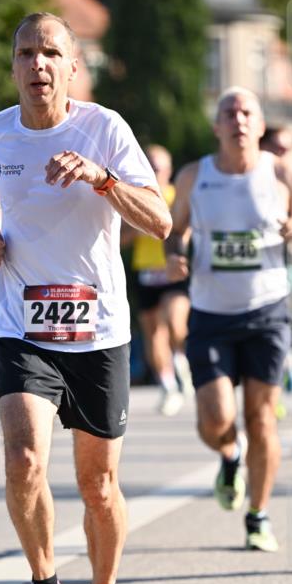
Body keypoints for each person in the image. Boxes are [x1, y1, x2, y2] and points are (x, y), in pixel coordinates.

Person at [0, 12, 171, 584]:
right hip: (22, 323)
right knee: (23, 458)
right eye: (26, 52)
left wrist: (100, 178)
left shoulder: (104, 129)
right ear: (12, 66)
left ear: (72, 66)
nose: (38, 64)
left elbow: (160, 221)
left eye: (51, 52)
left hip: (98, 330)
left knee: (98, 484)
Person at [166, 87, 292, 551]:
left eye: (246, 112)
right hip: (211, 314)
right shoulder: (194, 175)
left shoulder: (282, 173)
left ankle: (258, 516)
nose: (238, 119)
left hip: (267, 312)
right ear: (216, 126)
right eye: (229, 113)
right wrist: (175, 255)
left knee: (261, 419)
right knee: (215, 421)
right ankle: (229, 456)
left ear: (259, 125)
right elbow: (174, 231)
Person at [123, 144, 193, 415]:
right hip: (146, 272)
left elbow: (189, 229)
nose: (155, 170)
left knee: (176, 323)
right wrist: (137, 228)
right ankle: (168, 385)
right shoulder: (135, 195)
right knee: (153, 334)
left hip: (172, 269)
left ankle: (182, 362)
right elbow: (119, 238)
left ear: (169, 169)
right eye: (150, 165)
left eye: (159, 166)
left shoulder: (177, 195)